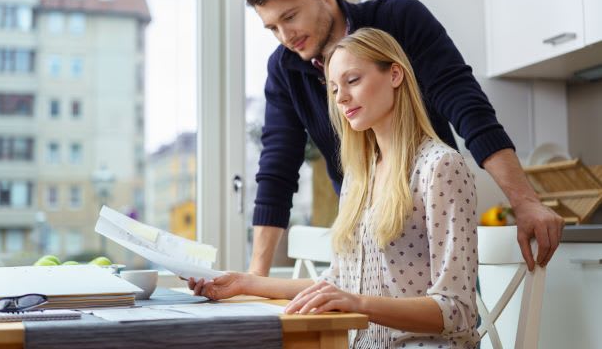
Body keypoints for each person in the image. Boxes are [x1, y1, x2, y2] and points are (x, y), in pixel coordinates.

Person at [245, 0, 563, 277]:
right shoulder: (284, 69)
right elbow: (277, 171)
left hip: (432, 230)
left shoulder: (400, 20)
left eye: (290, 17)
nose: (285, 37)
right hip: (362, 241)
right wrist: (256, 275)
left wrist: (524, 200)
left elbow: (467, 106)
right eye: (272, 28)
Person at [190, 28, 480, 348]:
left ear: (395, 74)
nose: (340, 98)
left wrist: (358, 304)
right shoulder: (359, 176)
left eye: (352, 80)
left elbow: (458, 310)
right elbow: (340, 283)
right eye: (333, 88)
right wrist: (247, 284)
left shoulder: (440, 167)